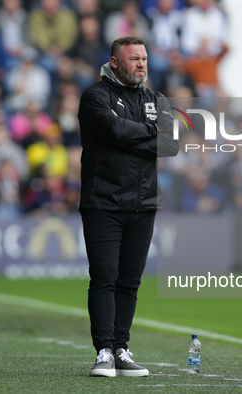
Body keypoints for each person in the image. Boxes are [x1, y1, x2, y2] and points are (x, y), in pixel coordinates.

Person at [77, 36, 179, 377]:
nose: (142, 64)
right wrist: (150, 134)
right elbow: (112, 128)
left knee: (130, 281)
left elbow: (170, 144)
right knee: (104, 277)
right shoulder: (96, 95)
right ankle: (103, 351)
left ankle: (121, 348)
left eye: (145, 58)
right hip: (103, 202)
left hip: (144, 203)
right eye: (134, 58)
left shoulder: (156, 98)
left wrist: (133, 135)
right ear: (116, 62)